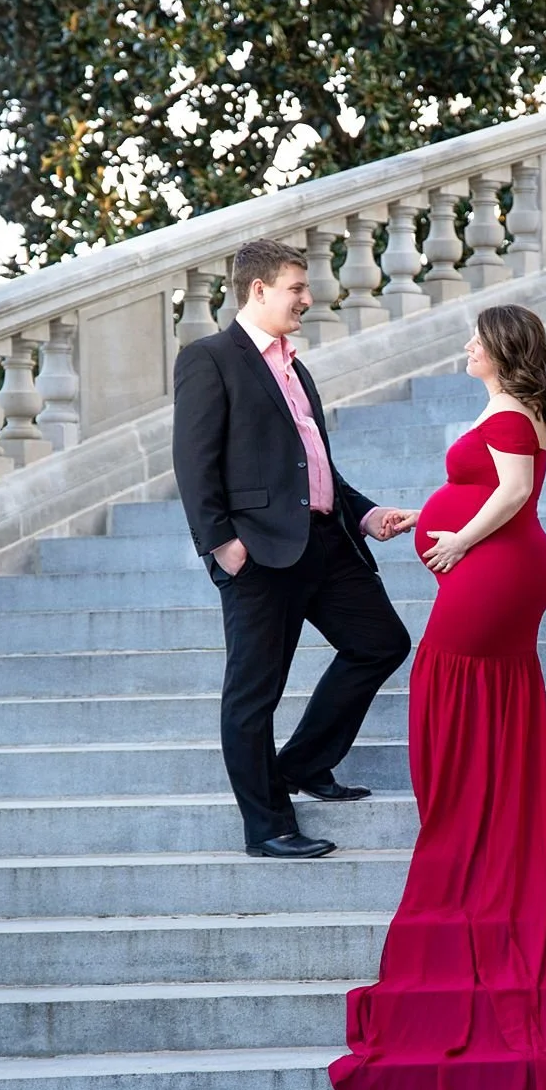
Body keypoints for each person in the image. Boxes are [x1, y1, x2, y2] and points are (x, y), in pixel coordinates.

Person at [329, 303, 546, 1090]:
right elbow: (488, 484)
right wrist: (427, 514)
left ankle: (472, 820)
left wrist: (457, 541)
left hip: (496, 571)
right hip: (494, 565)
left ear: (501, 348)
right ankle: (483, 807)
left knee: (447, 679)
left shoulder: (513, 411)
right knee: (464, 690)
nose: (466, 345)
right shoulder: (508, 409)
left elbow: (513, 491)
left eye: (477, 337)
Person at [172, 239, 414, 860]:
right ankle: (267, 826)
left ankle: (304, 763)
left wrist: (364, 514)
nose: (308, 299)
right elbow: (194, 463)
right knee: (254, 692)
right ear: (258, 290)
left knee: (381, 642)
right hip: (257, 555)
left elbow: (315, 465)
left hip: (327, 544)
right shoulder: (210, 358)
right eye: (296, 288)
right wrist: (220, 544)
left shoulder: (295, 366)